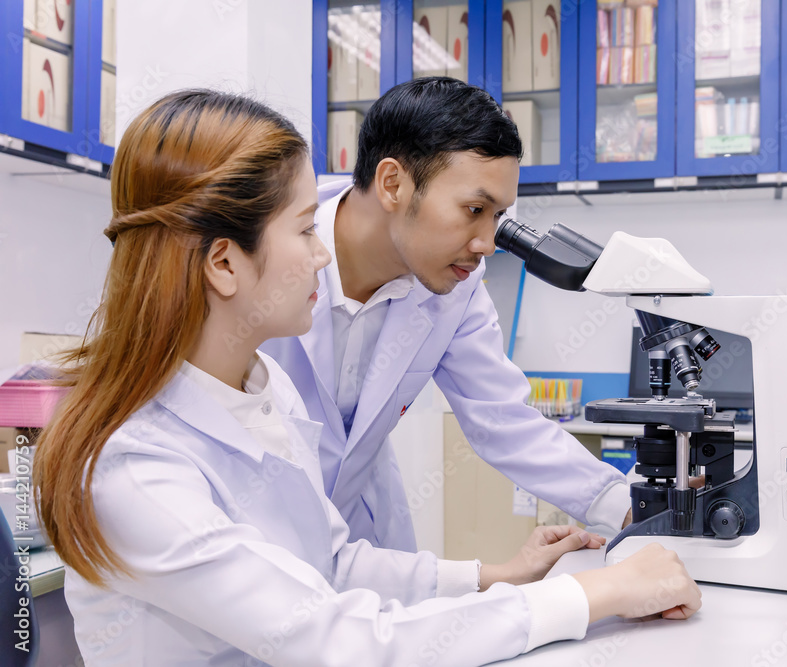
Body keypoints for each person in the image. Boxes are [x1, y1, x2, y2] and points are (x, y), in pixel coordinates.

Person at [33, 90, 701, 666]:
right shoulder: (135, 467)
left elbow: (336, 563)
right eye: (302, 230)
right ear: (225, 265)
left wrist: (503, 575)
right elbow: (332, 636)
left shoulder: (264, 385)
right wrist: (586, 595)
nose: (320, 254)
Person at [262, 77, 634, 552]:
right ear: (392, 184)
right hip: (254, 534)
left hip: (363, 540)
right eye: (474, 209)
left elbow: (502, 419)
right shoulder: (270, 252)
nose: (487, 245)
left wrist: (628, 507)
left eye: (496, 218)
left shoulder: (454, 287)